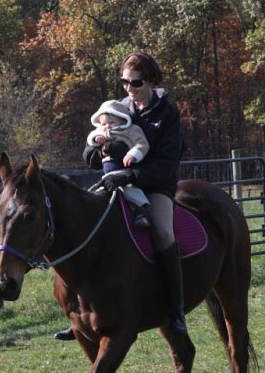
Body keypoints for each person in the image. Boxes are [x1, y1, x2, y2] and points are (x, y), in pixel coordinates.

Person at [54, 51, 188, 340]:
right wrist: (97, 149)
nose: (129, 88)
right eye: (124, 81)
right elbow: (91, 151)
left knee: (163, 232)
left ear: (150, 81)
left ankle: (176, 310)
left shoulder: (167, 114)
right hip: (113, 180)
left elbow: (167, 163)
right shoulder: (118, 108)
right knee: (83, 223)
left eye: (135, 82)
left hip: (155, 186)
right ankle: (78, 314)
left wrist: (130, 174)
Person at [87, 99, 151, 227]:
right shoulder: (101, 132)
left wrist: (133, 154)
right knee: (98, 192)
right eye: (104, 123)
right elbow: (91, 137)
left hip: (126, 171)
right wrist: (96, 139)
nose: (107, 126)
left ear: (123, 120)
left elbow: (142, 144)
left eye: (111, 122)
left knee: (131, 191)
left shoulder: (131, 130)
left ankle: (142, 211)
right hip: (107, 175)